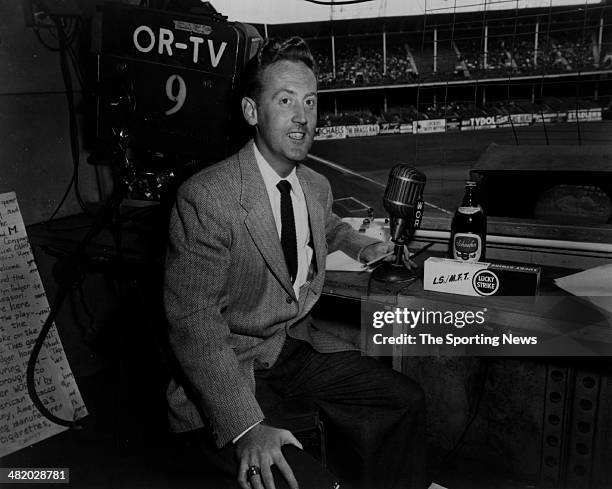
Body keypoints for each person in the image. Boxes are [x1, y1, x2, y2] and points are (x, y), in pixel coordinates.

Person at [164, 36, 426, 489]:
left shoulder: (315, 185)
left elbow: (325, 224)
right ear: (252, 112)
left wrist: (363, 245)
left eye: (310, 101)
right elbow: (194, 327)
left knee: (405, 399)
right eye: (285, 100)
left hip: (290, 350)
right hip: (231, 368)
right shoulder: (207, 198)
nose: (302, 117)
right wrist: (247, 427)